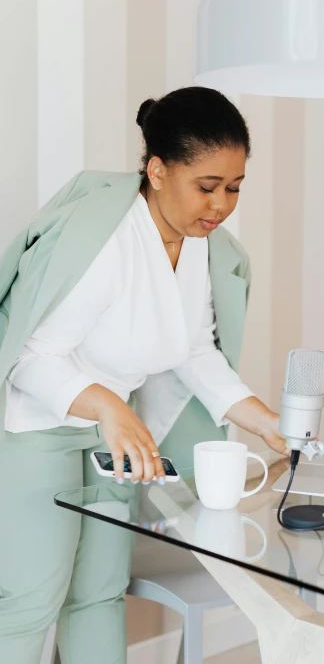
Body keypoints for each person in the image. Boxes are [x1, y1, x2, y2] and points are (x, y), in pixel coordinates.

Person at [0, 86, 288, 664]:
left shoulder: (202, 247)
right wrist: (109, 405)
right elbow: (30, 358)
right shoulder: (102, 239)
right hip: (44, 424)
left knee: (99, 595)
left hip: (116, 433)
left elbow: (195, 350)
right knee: (32, 600)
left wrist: (261, 419)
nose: (221, 204)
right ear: (157, 171)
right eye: (206, 187)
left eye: (233, 187)